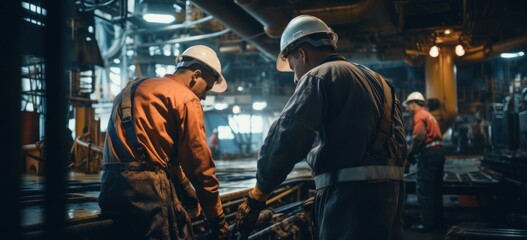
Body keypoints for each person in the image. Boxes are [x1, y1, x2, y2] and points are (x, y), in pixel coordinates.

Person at [234, 15, 408, 240]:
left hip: (351, 201)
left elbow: (287, 137)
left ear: (302, 54)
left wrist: (258, 195)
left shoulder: (319, 76)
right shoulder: (381, 82)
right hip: (392, 197)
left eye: (292, 64)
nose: (295, 77)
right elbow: (400, 145)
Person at [98, 45, 231, 240]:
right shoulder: (186, 99)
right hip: (147, 193)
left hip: (109, 187)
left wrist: (185, 187)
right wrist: (217, 218)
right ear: (196, 75)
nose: (204, 96)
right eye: (207, 88)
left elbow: (153, 151)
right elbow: (199, 166)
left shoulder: (131, 88)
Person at [403, 91, 445, 231]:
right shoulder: (429, 115)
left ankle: (428, 224)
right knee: (435, 189)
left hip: (429, 153)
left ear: (414, 104)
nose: (407, 109)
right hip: (438, 152)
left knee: (424, 188)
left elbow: (419, 137)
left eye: (408, 105)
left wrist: (409, 154)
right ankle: (438, 222)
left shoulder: (419, 115)